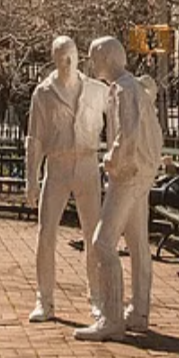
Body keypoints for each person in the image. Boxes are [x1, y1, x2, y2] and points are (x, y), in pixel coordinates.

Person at [76, 36, 158, 341]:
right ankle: (139, 311)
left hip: (127, 174)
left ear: (106, 57)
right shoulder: (133, 86)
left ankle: (111, 318)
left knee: (102, 243)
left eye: (93, 57)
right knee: (138, 243)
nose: (92, 63)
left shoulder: (124, 89)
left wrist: (113, 157)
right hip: (140, 173)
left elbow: (129, 131)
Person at [24, 35, 108, 323]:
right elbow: (34, 138)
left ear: (78, 55)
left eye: (70, 55)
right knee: (46, 233)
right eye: (61, 56)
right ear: (53, 58)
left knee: (93, 234)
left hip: (87, 163)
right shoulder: (43, 93)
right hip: (57, 165)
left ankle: (97, 298)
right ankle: (44, 300)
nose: (66, 61)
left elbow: (121, 119)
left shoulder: (97, 90)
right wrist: (31, 178)